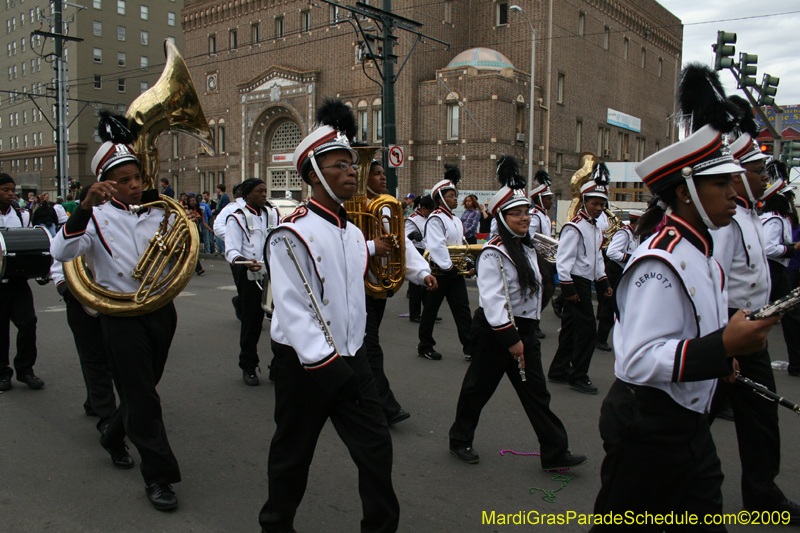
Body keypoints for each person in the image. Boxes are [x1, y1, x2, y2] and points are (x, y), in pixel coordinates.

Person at [590, 63, 780, 531]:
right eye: (721, 184)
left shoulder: (703, 248)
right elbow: (635, 360)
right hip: (649, 428)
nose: (735, 193)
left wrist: (722, 361)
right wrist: (724, 347)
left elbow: (693, 331)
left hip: (688, 423)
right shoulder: (662, 258)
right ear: (687, 192)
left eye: (735, 181)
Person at [260, 99, 399, 533]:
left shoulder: (353, 230)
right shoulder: (290, 232)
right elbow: (296, 309)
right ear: (313, 174)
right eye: (340, 164)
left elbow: (349, 274)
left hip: (351, 361)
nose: (353, 171)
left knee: (376, 449)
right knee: (292, 454)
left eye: (353, 164)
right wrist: (327, 364)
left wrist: (399, 257)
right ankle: (276, 525)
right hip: (307, 368)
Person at [51, 111, 182, 511]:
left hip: (161, 311)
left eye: (137, 178)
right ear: (106, 183)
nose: (134, 186)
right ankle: (159, 475)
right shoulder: (94, 218)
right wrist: (84, 208)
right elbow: (61, 251)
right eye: (123, 181)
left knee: (146, 387)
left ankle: (112, 433)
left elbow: (178, 257)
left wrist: (183, 240)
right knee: (143, 397)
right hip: (120, 316)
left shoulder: (159, 210)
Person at [449, 155, 587, 472]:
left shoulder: (528, 247)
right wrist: (512, 339)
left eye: (527, 211)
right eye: (517, 214)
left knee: (536, 393)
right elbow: (494, 301)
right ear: (501, 217)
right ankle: (459, 439)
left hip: (523, 331)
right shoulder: (494, 252)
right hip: (497, 332)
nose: (525, 218)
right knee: (477, 389)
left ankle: (554, 451)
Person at [709, 110, 800, 523]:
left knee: (760, 418)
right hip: (731, 327)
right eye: (758, 169)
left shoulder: (748, 214)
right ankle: (651, 478)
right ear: (738, 173)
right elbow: (715, 284)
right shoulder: (727, 221)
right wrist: (722, 344)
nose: (765, 176)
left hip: (751, 327)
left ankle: (763, 498)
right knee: (690, 417)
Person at [362, 160, 437, 424]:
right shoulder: (349, 206)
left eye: (384, 173)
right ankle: (386, 406)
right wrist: (371, 247)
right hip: (355, 291)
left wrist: (421, 272)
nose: (383, 178)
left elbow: (400, 243)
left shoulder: (386, 207)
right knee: (370, 350)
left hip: (378, 289)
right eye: (377, 174)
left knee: (360, 350)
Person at [50, 259, 133, 469]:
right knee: (95, 360)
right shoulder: (77, 228)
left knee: (123, 361)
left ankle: (106, 406)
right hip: (83, 305)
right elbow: (60, 266)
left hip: (119, 302)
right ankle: (107, 422)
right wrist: (72, 292)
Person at [548, 172, 612, 395]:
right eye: (595, 203)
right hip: (576, 283)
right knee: (586, 332)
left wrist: (604, 283)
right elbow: (564, 261)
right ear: (584, 202)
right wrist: (569, 289)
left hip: (585, 280)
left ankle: (558, 370)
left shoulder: (595, 227)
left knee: (569, 330)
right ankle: (578, 375)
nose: (599, 208)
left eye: (602, 204)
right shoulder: (574, 227)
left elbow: (596, 259)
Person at [224, 178, 278, 386]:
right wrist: (246, 262)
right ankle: (248, 365)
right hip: (250, 276)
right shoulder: (236, 218)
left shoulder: (272, 213)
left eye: (265, 191)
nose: (264, 194)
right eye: (259, 191)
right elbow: (231, 250)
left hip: (273, 275)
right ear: (247, 194)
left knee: (278, 323)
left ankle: (277, 366)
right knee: (251, 324)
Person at [418, 164, 473, 361]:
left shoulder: (456, 220)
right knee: (431, 311)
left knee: (463, 311)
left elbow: (459, 245)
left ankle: (471, 347)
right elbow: (437, 246)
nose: (455, 198)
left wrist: (467, 263)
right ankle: (425, 346)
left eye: (455, 195)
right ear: (440, 198)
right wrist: (448, 267)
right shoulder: (435, 219)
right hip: (439, 272)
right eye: (451, 195)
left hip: (454, 272)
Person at [0, 173, 44, 392]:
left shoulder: (23, 216)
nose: (11, 194)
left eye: (12, 190)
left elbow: (30, 245)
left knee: (28, 323)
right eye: (6, 190)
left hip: (17, 281)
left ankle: (26, 370)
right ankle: (2, 373)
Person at [760, 176, 800, 378]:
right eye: (790, 201)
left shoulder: (773, 218)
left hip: (774, 271)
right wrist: (792, 248)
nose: (792, 205)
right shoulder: (775, 220)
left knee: (789, 312)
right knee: (791, 313)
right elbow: (768, 247)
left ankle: (796, 362)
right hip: (772, 270)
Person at [214, 183, 245, 319]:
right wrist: (234, 236)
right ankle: (242, 305)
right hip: (239, 255)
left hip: (259, 256)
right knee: (242, 285)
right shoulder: (230, 209)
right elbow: (217, 227)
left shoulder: (263, 209)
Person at [406, 195, 436, 322]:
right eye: (430, 210)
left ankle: (428, 312)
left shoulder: (430, 217)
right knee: (416, 287)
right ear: (423, 208)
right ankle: (415, 313)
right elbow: (404, 237)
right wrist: (412, 235)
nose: (431, 213)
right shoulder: (412, 219)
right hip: (416, 251)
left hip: (427, 251)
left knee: (428, 284)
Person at [185, 195, 207, 275]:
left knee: (194, 251)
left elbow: (204, 222)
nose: (192, 202)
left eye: (193, 200)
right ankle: (198, 269)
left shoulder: (200, 211)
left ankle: (194, 268)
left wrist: (211, 230)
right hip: (188, 233)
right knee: (191, 250)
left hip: (196, 232)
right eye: (190, 201)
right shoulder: (186, 210)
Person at [213, 183, 230, 254]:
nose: (217, 190)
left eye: (217, 188)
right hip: (219, 216)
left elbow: (224, 208)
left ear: (220, 189)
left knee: (220, 232)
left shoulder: (225, 197)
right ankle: (220, 249)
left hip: (222, 217)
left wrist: (215, 211)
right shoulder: (221, 197)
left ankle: (223, 250)